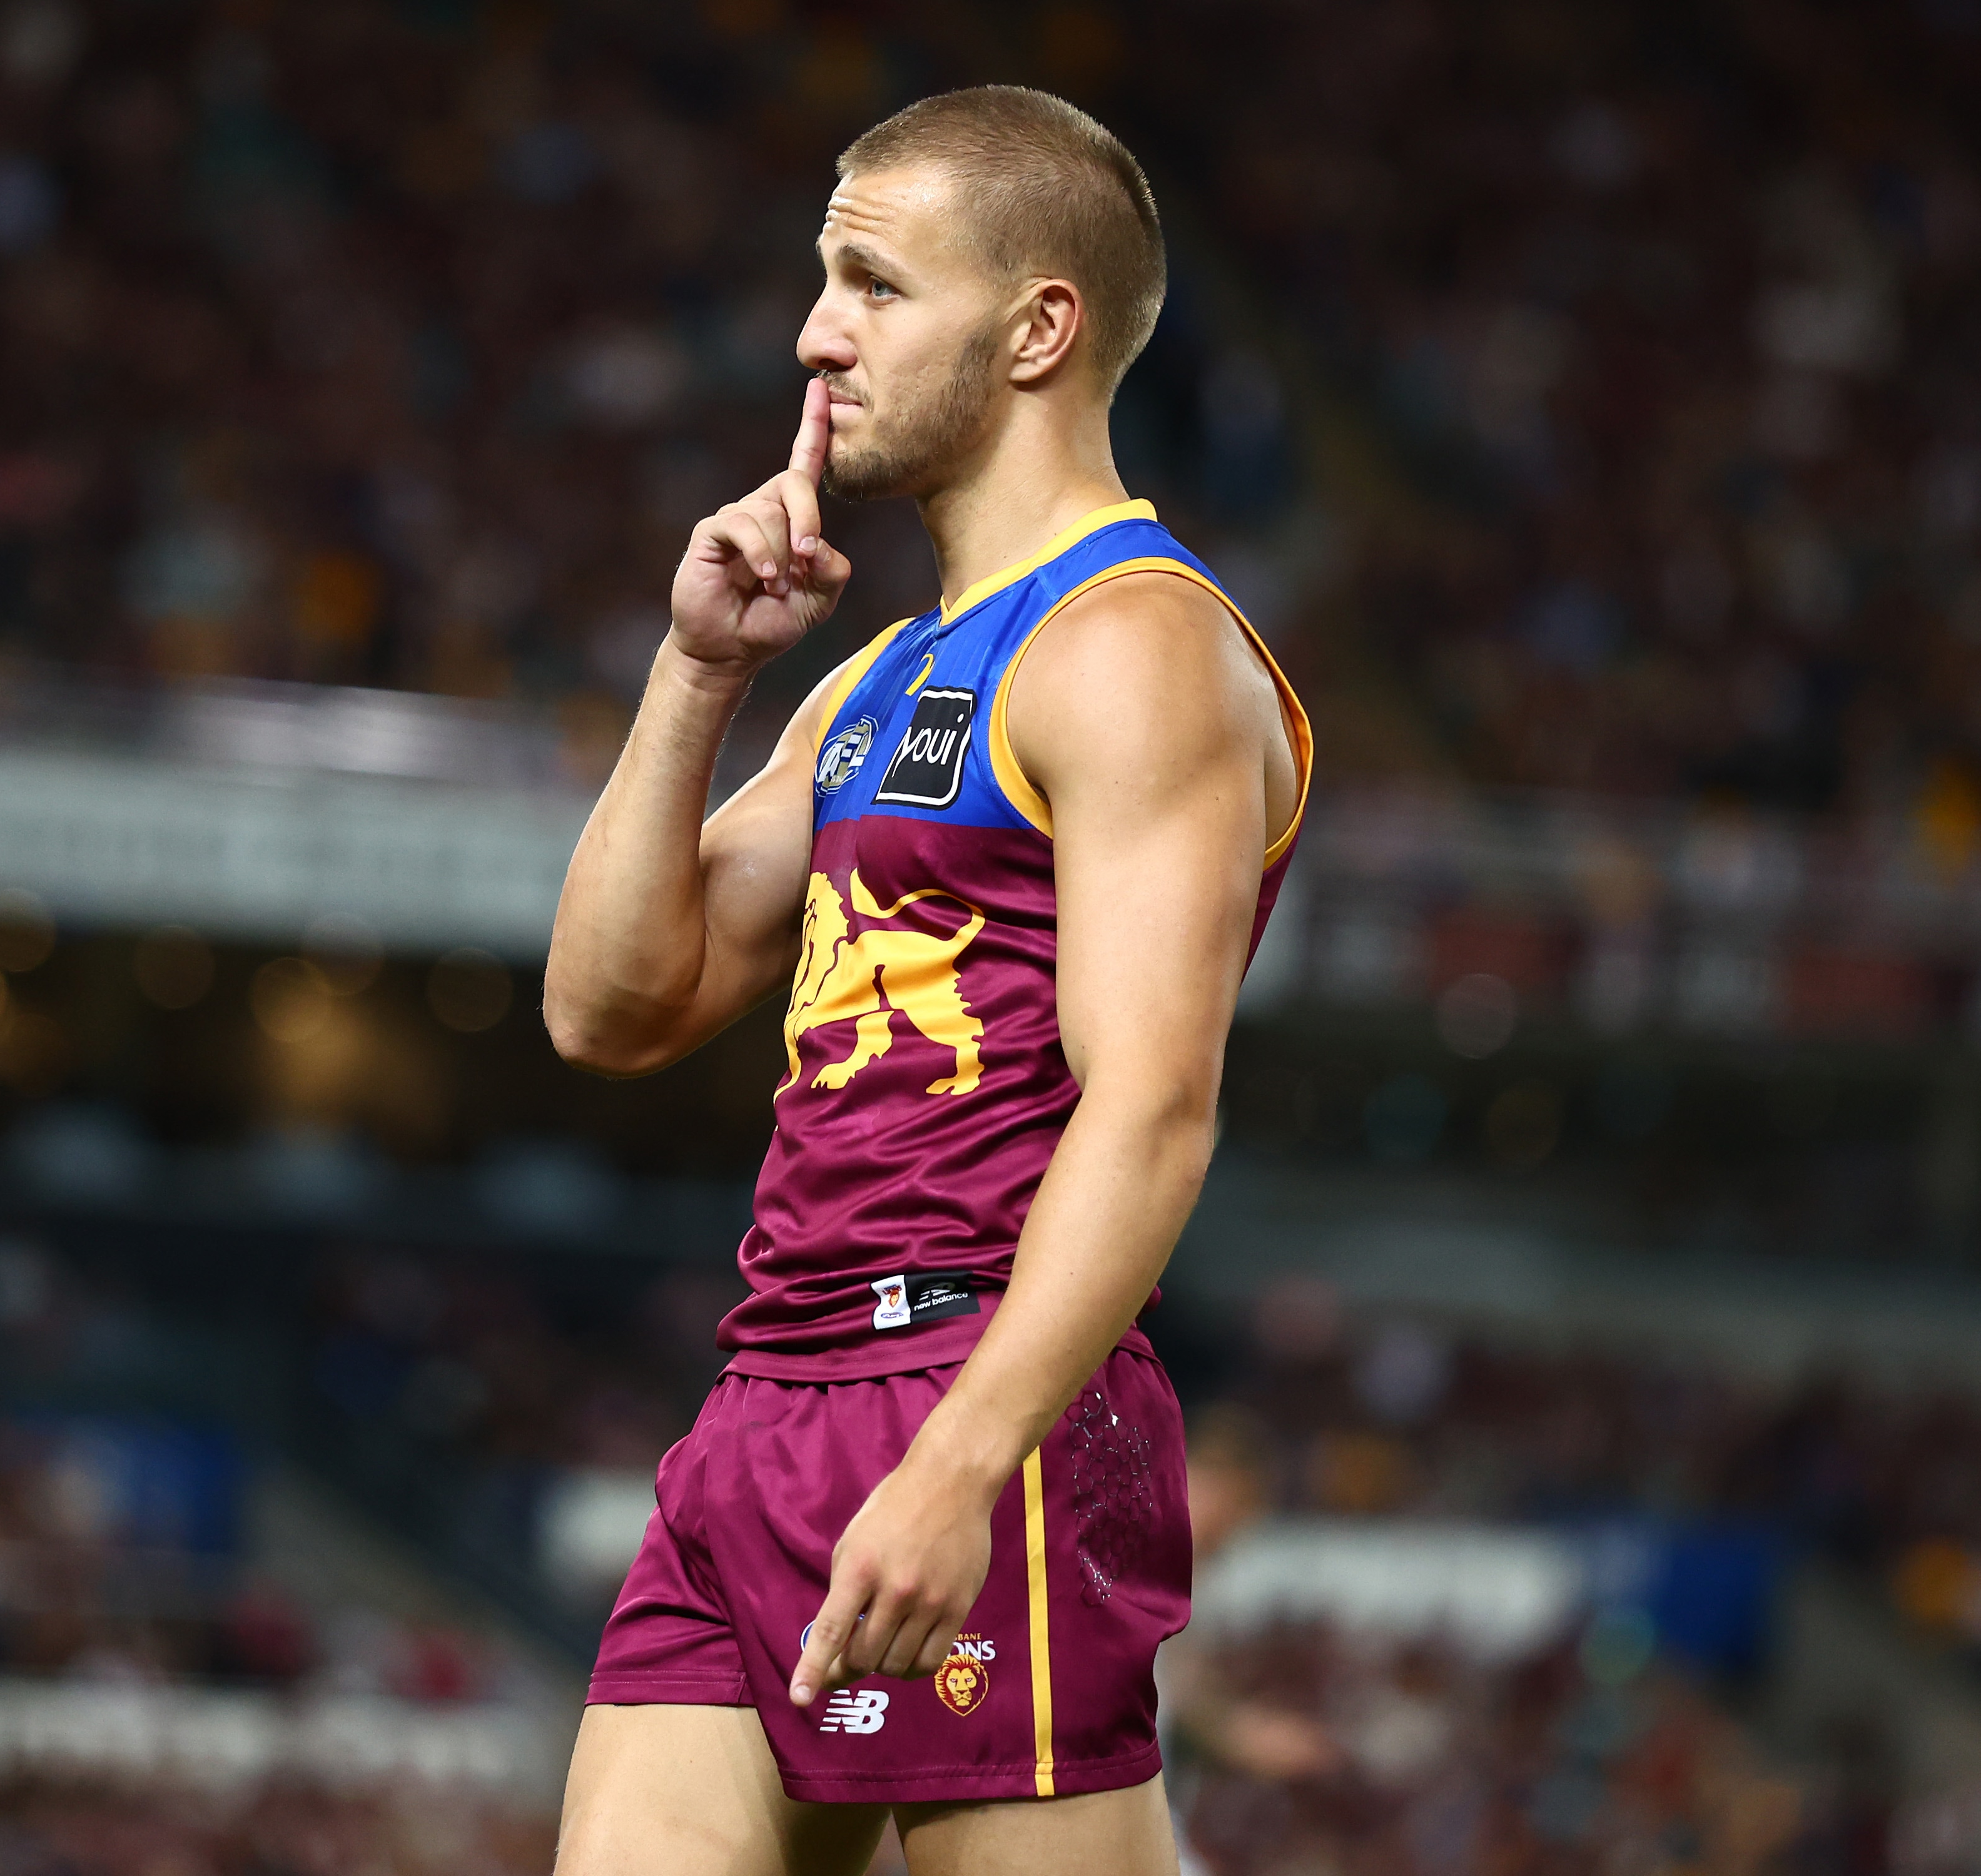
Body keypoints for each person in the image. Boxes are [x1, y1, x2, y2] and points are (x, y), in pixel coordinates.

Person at [542, 85, 1312, 1876]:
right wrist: (692, 672)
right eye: (824, 278)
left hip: (983, 1400)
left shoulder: (1132, 649)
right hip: (764, 1406)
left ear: (1039, 326)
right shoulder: (877, 674)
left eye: (874, 284)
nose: (816, 334)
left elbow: (1151, 1105)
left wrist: (964, 1463)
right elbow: (609, 1007)